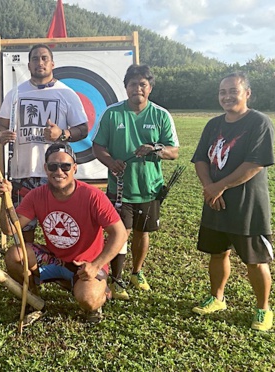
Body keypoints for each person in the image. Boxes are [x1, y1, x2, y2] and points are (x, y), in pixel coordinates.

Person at [0, 143, 127, 324]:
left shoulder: (93, 196)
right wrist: (6, 200)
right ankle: (33, 296)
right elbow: (9, 229)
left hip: (87, 264)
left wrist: (96, 266)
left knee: (88, 300)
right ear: (45, 169)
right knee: (14, 255)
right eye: (53, 166)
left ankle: (99, 292)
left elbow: (120, 234)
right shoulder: (36, 195)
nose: (59, 171)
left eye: (65, 166)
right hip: (55, 258)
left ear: (74, 168)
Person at [191, 72, 275, 331]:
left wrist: (220, 186)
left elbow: (255, 164)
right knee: (218, 253)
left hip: (247, 205)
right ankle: (217, 298)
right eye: (222, 92)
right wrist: (209, 188)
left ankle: (263, 309)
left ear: (246, 93)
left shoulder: (259, 122)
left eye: (233, 91)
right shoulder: (213, 124)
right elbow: (201, 159)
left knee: (255, 259)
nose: (226, 96)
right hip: (215, 200)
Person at [92, 64, 179, 300]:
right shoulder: (113, 113)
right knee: (121, 232)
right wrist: (111, 162)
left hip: (150, 187)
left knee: (142, 232)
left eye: (142, 84)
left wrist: (156, 150)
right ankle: (117, 279)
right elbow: (98, 146)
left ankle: (136, 272)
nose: (137, 88)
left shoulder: (161, 115)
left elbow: (174, 152)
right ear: (126, 87)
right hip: (121, 188)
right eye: (132, 84)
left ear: (150, 88)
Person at [0, 44, 88, 243]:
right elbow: (2, 126)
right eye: (35, 59)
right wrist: (2, 135)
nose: (40, 62)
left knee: (58, 229)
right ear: (28, 65)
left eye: (44, 58)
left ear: (52, 63)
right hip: (22, 173)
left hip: (56, 173)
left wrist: (62, 134)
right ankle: (27, 269)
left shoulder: (66, 93)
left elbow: (82, 130)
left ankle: (57, 269)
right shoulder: (15, 94)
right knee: (22, 231)